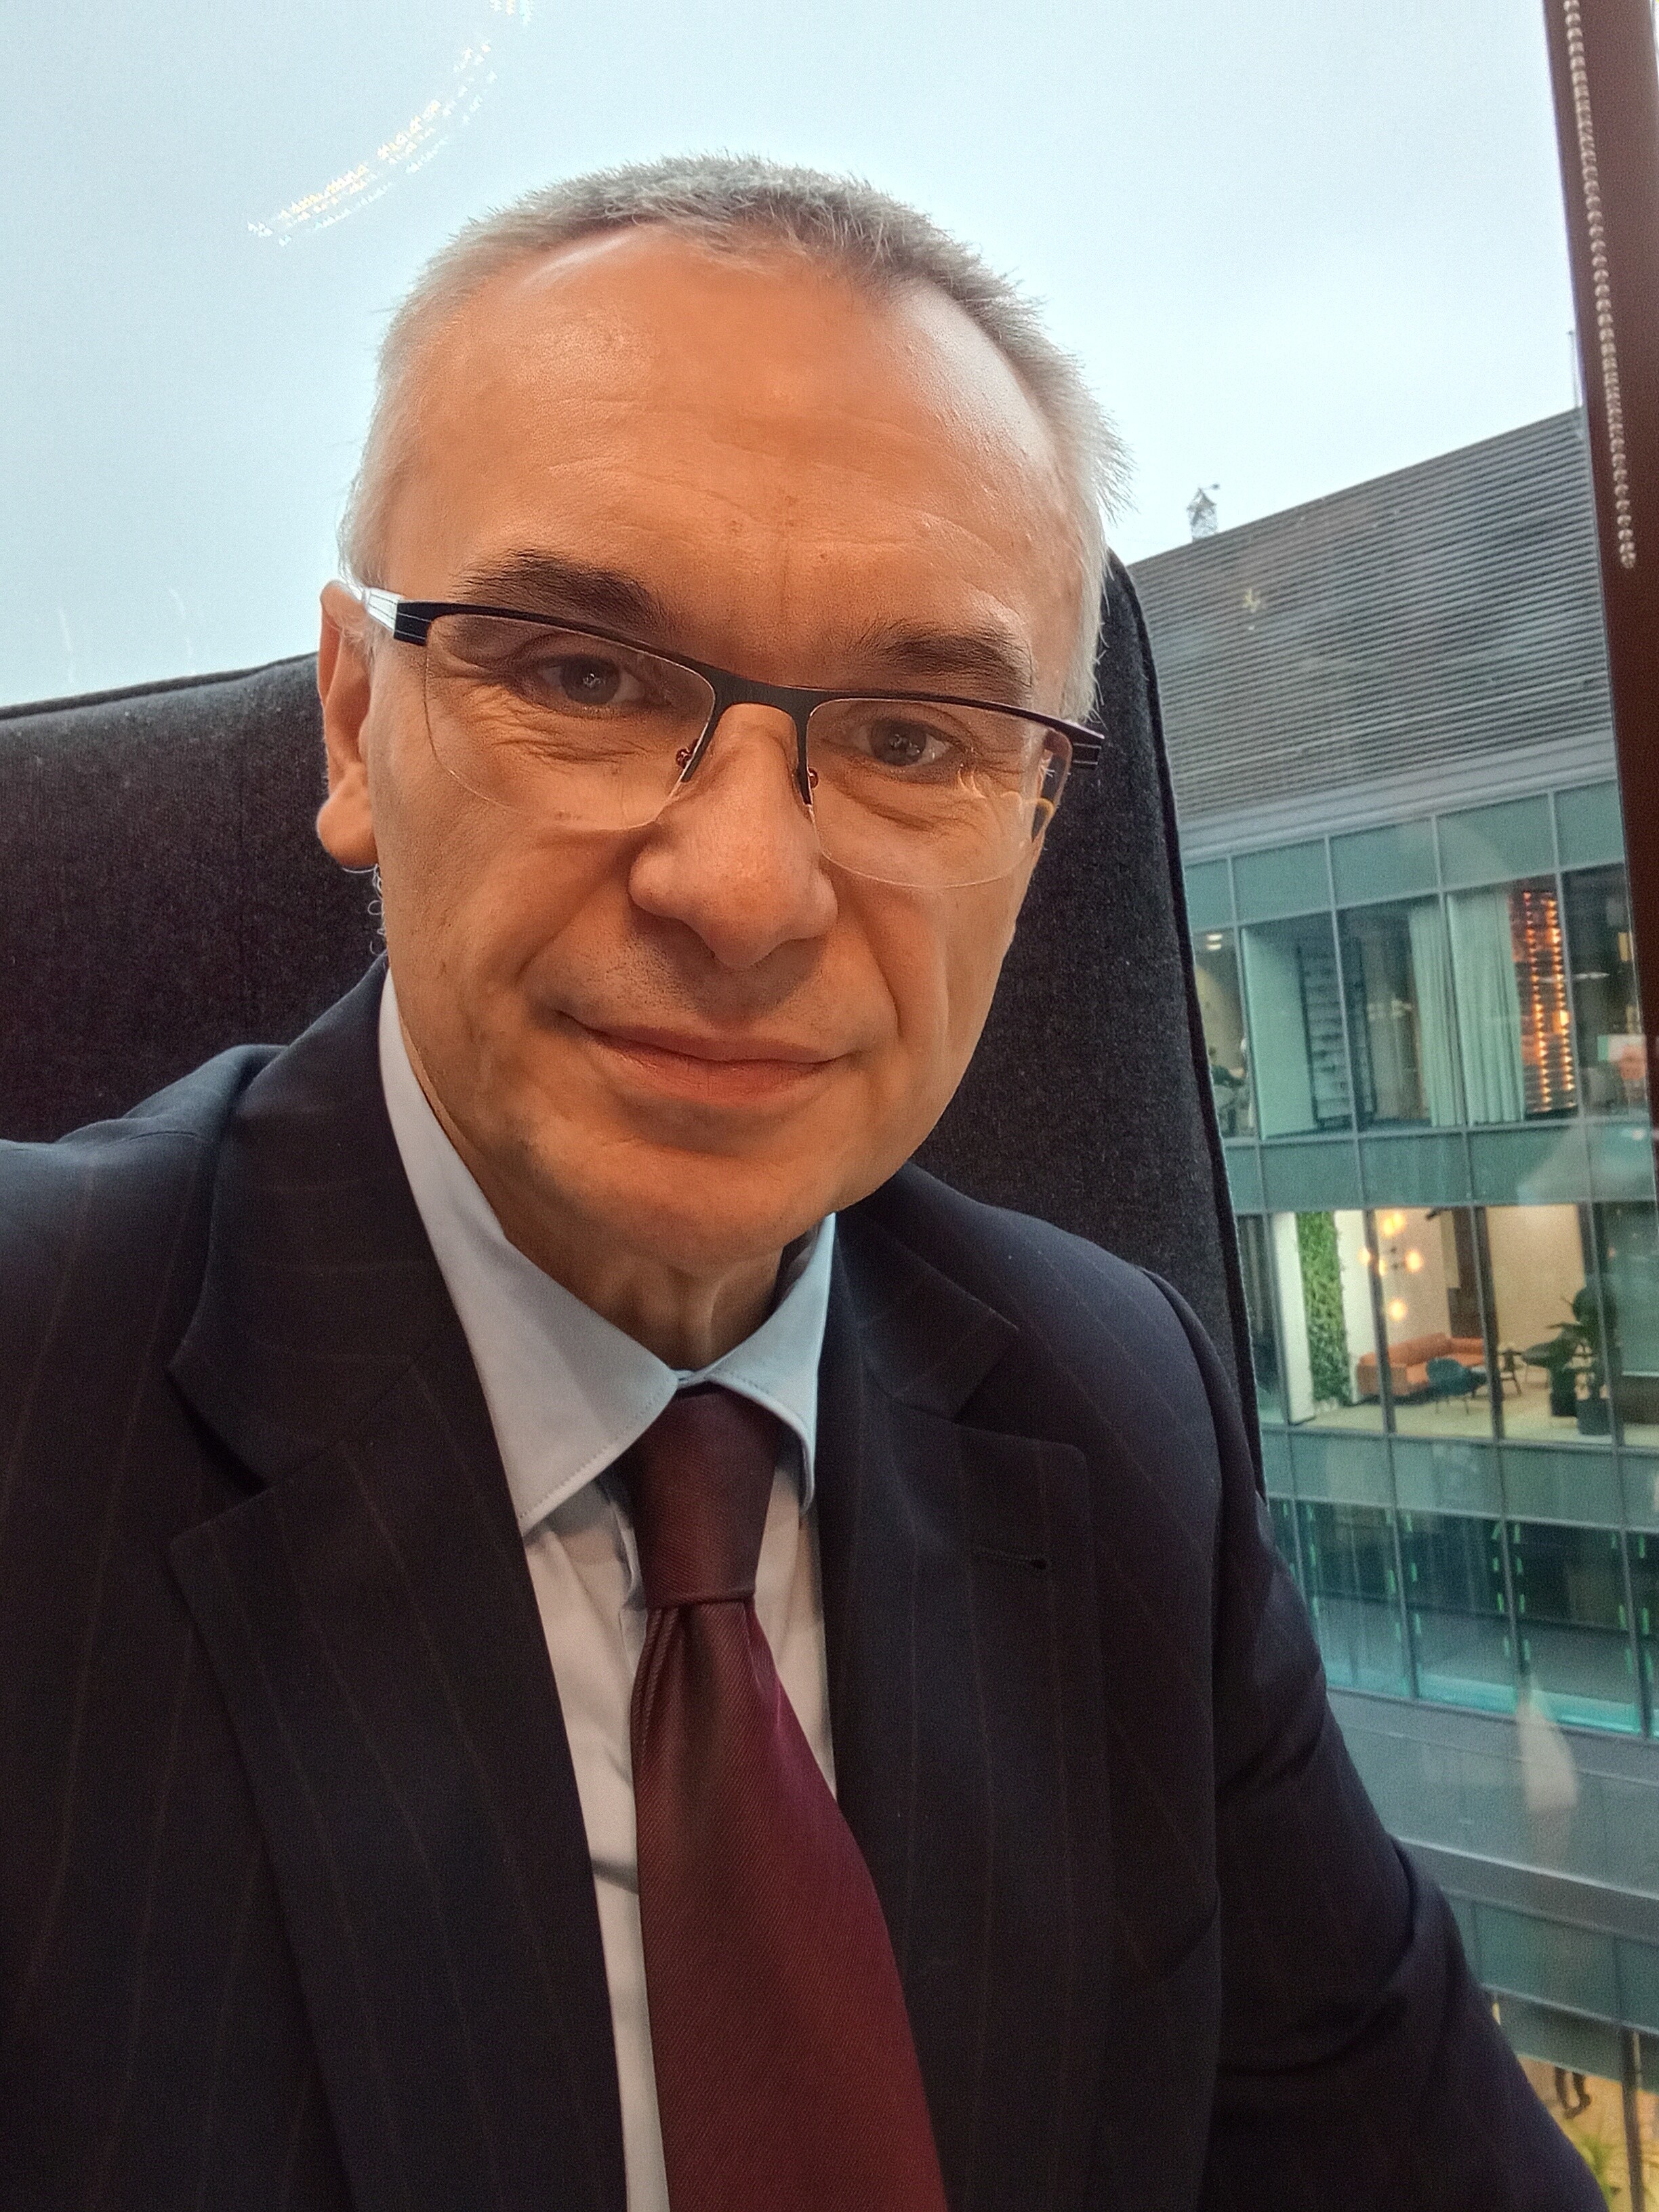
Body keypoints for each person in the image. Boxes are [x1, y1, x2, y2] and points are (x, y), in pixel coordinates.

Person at [0, 156, 1597, 2212]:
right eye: (582, 674)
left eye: (918, 738)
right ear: (352, 723)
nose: (745, 890)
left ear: (1039, 826)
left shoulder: (1118, 1409)